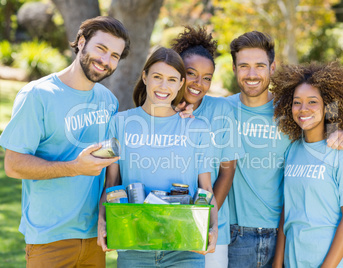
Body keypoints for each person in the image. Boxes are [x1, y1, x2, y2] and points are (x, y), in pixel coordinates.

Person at [0, 16, 130, 267]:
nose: (106, 60)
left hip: (95, 237)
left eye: (115, 55)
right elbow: (13, 165)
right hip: (50, 238)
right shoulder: (38, 95)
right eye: (101, 49)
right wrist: (74, 168)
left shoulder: (108, 100)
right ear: (81, 42)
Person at [225, 31, 343, 268]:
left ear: (273, 67)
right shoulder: (218, 108)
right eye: (244, 65)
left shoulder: (291, 115)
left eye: (260, 65)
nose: (252, 73)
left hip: (288, 241)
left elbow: (328, 112)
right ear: (234, 68)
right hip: (246, 240)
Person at [97, 47, 218, 268]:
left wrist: (214, 228)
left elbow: (206, 190)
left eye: (172, 79)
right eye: (157, 77)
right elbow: (111, 184)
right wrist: (102, 222)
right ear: (145, 77)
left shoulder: (198, 128)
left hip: (185, 247)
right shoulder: (119, 123)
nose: (164, 86)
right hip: (134, 244)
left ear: (181, 83)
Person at [271, 61, 343, 267]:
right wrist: (278, 262)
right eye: (297, 102)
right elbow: (287, 211)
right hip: (295, 260)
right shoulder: (292, 150)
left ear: (329, 107)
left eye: (312, 102)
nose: (303, 109)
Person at [171, 26, 244, 268]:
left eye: (207, 78)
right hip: (166, 221)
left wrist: (205, 218)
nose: (199, 84)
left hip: (211, 228)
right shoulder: (159, 108)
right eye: (191, 73)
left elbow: (227, 170)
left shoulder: (221, 110)